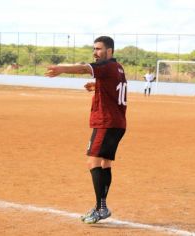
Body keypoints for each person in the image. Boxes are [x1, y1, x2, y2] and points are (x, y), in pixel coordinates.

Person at [45, 36, 127, 224]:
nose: (95, 52)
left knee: (92, 162)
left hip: (106, 122)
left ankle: (101, 208)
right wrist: (97, 87)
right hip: (117, 123)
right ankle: (101, 206)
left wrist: (61, 69)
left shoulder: (106, 66)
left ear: (110, 51)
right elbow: (114, 87)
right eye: (94, 49)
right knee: (105, 164)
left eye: (99, 49)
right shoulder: (118, 67)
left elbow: (84, 67)